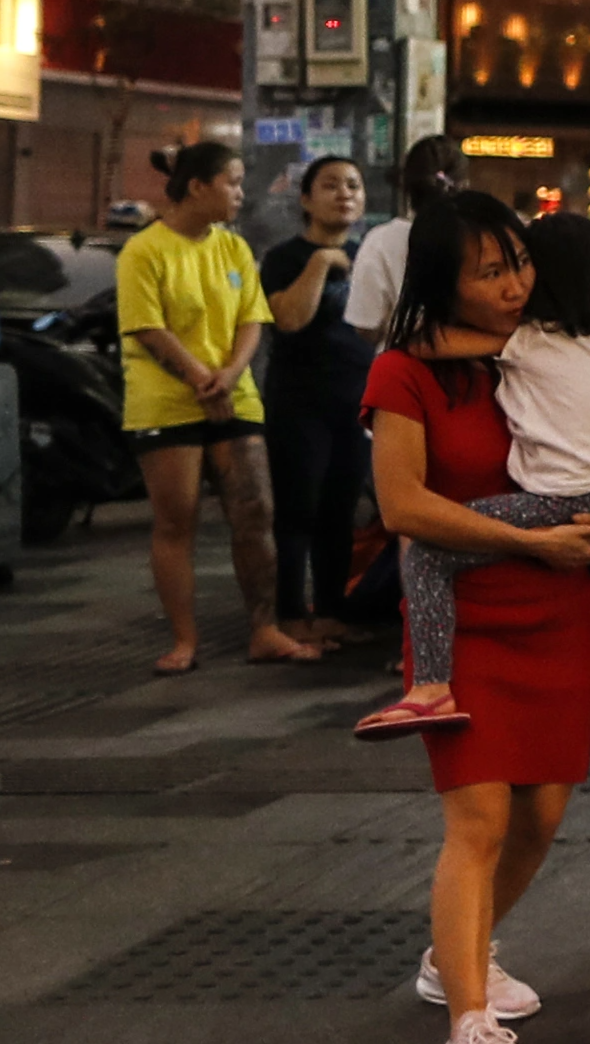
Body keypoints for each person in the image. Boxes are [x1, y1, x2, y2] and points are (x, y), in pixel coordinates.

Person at [366, 191, 590, 1044]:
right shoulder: (403, 374)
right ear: (443, 281)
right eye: (491, 270)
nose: (517, 282)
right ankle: (469, 1034)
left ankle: (454, 957)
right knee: (478, 821)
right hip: (463, 617)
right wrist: (531, 541)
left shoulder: (538, 344)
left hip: (558, 614)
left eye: (520, 261)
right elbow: (404, 509)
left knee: (543, 817)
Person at [360, 216, 590, 743]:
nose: (515, 282)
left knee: (425, 554)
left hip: (560, 501)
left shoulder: (526, 340)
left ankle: (430, 687)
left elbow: (420, 343)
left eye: (523, 265)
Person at [119, 140, 312, 678]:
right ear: (197, 186)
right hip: (166, 401)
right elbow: (147, 327)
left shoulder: (233, 249)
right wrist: (201, 377)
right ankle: (184, 639)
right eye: (231, 182)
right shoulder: (144, 250)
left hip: (236, 396)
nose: (239, 194)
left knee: (255, 513)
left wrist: (228, 374)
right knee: (176, 520)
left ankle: (264, 629)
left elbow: (253, 318)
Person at [257, 154, 377, 657]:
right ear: (306, 199)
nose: (344, 193)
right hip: (298, 403)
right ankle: (290, 614)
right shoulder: (285, 257)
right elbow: (288, 319)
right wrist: (322, 262)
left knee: (339, 511)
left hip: (353, 401)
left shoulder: (367, 256)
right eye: (330, 185)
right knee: (296, 510)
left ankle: (330, 612)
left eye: (352, 185)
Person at [340, 135, 472, 343]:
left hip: (401, 368)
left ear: (405, 185)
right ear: (465, 184)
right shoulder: (483, 238)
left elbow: (365, 325)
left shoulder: (381, 241)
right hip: (474, 367)